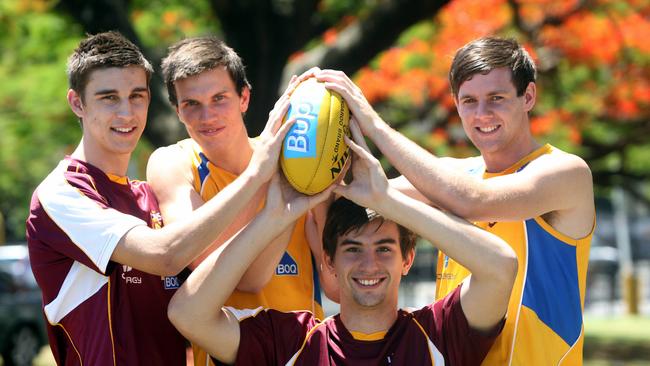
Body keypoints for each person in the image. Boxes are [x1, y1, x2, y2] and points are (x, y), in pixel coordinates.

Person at [309, 36, 595, 365]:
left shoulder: (566, 173)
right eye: (469, 100)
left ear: (527, 96)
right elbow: (347, 200)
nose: (482, 113)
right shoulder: (449, 177)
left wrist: (372, 123)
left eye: (496, 98)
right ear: (456, 104)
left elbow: (472, 200)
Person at [26, 31, 297, 365]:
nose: (126, 113)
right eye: (109, 98)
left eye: (137, 96)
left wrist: (281, 201)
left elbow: (246, 275)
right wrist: (257, 175)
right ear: (77, 103)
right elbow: (165, 254)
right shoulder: (62, 194)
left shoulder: (148, 197)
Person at [167, 119, 517, 365]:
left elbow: (501, 266)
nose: (369, 264)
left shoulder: (440, 334)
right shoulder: (290, 342)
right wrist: (274, 217)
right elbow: (188, 313)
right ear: (328, 262)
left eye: (384, 249)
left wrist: (389, 201)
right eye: (353, 249)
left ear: (407, 259)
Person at [147, 37, 337, 366]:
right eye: (191, 104)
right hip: (227, 351)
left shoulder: (298, 162)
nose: (207, 115)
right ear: (177, 110)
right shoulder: (173, 164)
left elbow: (336, 284)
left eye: (219, 98)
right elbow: (241, 276)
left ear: (244, 98)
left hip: (303, 351)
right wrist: (262, 178)